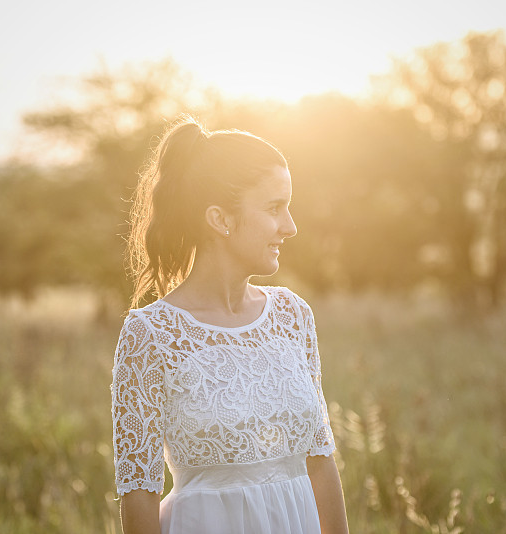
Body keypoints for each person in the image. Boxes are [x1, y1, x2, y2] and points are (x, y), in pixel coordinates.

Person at [111, 116, 349, 534]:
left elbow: (319, 460)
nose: (290, 226)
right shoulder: (150, 335)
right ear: (221, 219)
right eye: (275, 207)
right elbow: (139, 493)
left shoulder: (293, 317)